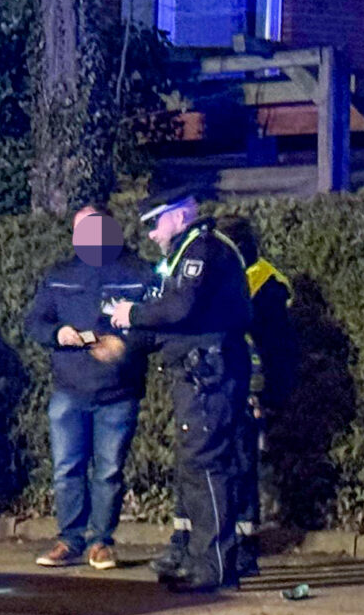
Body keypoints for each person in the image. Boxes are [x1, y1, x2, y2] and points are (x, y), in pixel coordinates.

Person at [104, 190, 254, 592]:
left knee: (205, 464)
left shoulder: (202, 250)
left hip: (208, 375)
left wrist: (129, 314)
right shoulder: (188, 251)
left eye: (155, 223)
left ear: (180, 214)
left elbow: (178, 309)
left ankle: (216, 568)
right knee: (197, 465)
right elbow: (170, 314)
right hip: (200, 373)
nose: (151, 234)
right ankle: (202, 558)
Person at [25, 207, 153, 571]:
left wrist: (125, 346)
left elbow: (155, 323)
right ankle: (70, 539)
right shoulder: (60, 275)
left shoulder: (137, 273)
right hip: (69, 391)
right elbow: (35, 320)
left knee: (109, 471)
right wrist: (56, 334)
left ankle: (101, 542)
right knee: (67, 469)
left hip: (118, 393)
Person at [220, 217, 298, 578]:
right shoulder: (239, 280)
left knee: (241, 468)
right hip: (228, 389)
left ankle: (244, 547)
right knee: (229, 467)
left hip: (248, 391)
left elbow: (274, 347)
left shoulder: (264, 285)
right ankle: (229, 543)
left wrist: (263, 395)